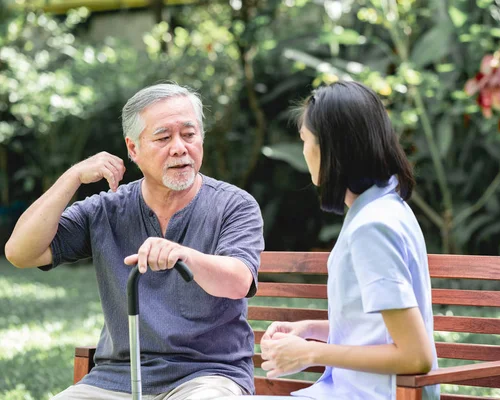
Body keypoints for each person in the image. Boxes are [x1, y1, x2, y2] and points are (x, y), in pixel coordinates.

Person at [4, 83, 264, 400]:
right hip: (114, 380)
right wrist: (72, 177)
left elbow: (238, 281)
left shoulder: (234, 206)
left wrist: (183, 255)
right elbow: (20, 253)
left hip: (207, 377)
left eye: (189, 134)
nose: (180, 147)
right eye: (164, 137)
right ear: (133, 148)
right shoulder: (106, 209)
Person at [223, 80, 439, 400]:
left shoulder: (372, 227)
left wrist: (310, 354)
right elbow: (377, 332)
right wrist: (310, 331)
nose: (304, 151)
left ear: (331, 147)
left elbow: (414, 356)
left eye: (305, 140)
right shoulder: (385, 209)